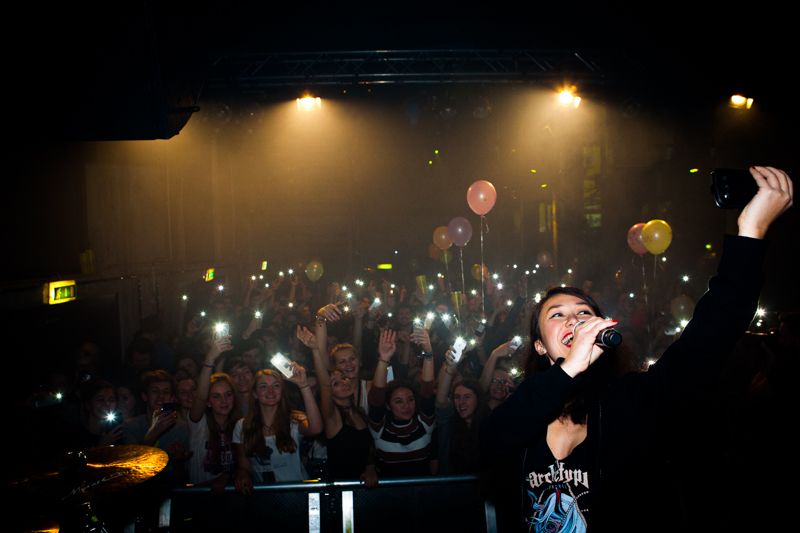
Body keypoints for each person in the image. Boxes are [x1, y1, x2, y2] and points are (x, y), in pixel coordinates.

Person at [480, 166, 793, 532]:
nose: (574, 319)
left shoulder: (632, 400)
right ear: (539, 345)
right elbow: (487, 446)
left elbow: (709, 338)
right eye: (557, 314)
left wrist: (751, 233)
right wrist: (567, 370)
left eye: (584, 313)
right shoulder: (520, 410)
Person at [233, 365, 323, 492]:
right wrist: (242, 474)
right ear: (255, 393)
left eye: (276, 386)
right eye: (263, 386)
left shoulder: (294, 419)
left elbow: (316, 428)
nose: (270, 391)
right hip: (264, 496)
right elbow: (244, 464)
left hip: (297, 493)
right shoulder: (242, 425)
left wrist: (304, 385)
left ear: (282, 391)